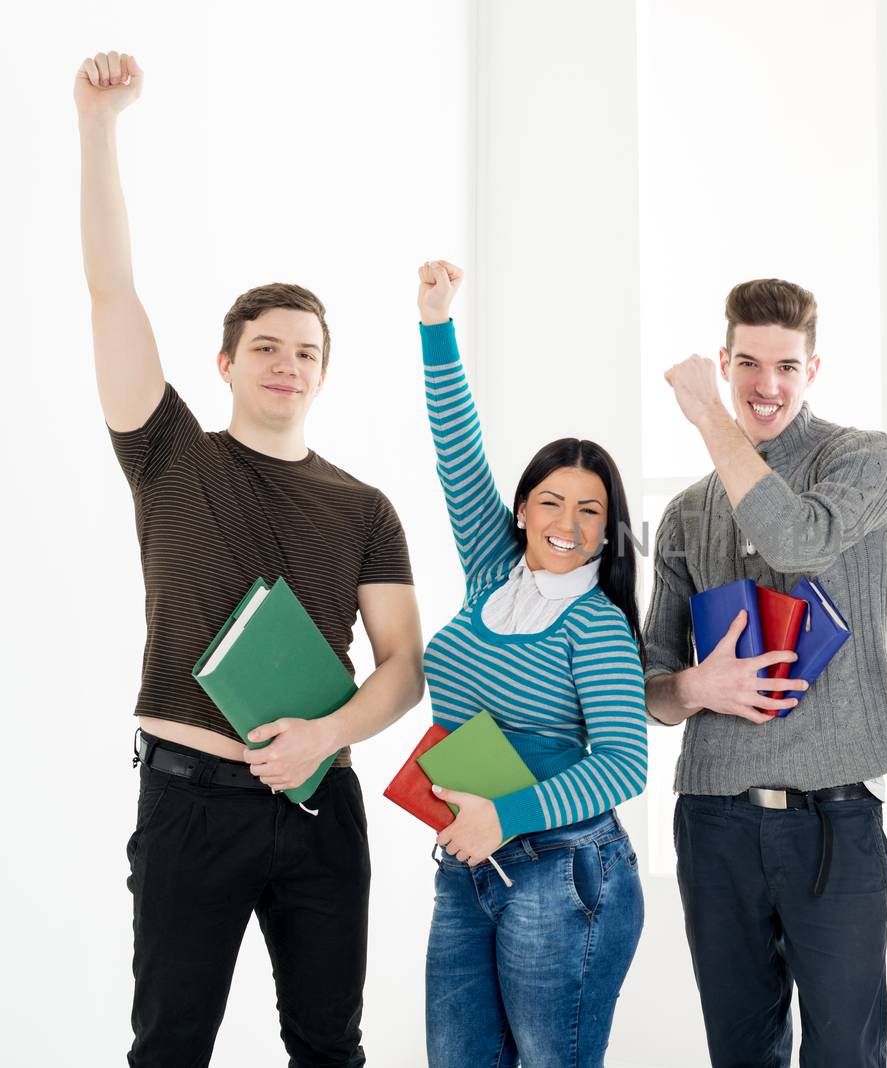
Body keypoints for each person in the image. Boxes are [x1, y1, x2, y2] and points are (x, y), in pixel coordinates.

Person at [79, 52, 425, 1066]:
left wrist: (324, 736)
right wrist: (98, 125)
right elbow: (110, 293)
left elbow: (402, 666)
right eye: (267, 346)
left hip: (321, 806)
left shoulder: (363, 505)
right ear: (226, 361)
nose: (288, 364)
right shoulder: (168, 451)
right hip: (190, 799)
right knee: (170, 1045)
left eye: (307, 351)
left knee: (329, 1046)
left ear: (324, 373)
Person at [642, 278, 887, 1067]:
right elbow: (653, 683)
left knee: (845, 1054)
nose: (766, 386)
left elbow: (795, 539)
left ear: (813, 369)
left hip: (835, 819)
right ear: (725, 361)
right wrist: (695, 688)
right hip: (715, 817)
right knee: (739, 1052)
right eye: (749, 364)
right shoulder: (689, 512)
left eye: (786, 367)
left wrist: (708, 419)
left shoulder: (865, 458)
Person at [414, 262, 648, 1068]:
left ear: (608, 531)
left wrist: (505, 817)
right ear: (521, 509)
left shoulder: (597, 625)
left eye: (590, 510)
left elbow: (625, 764)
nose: (566, 522)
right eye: (550, 501)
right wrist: (436, 325)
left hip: (563, 870)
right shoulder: (491, 572)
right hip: (467, 862)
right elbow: (457, 453)